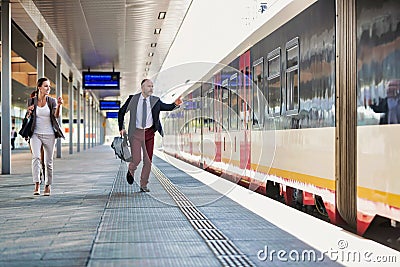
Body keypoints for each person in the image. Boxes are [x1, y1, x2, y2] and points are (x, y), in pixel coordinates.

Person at [118, 79, 182, 192]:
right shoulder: (133, 99)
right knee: (136, 159)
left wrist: (175, 104)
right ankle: (131, 169)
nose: (151, 88)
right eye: (149, 86)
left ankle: (143, 184)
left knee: (148, 161)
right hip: (136, 134)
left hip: (149, 133)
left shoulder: (156, 101)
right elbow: (121, 112)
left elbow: (167, 107)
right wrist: (121, 128)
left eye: (152, 86)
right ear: (142, 88)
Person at [25, 77, 65, 196]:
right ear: (39, 88)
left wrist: (59, 105)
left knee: (48, 161)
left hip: (49, 134)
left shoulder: (51, 101)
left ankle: (47, 185)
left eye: (49, 86)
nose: (48, 88)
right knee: (36, 158)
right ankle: (37, 184)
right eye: (46, 86)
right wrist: (29, 112)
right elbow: (27, 117)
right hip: (35, 133)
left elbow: (56, 116)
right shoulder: (31, 101)